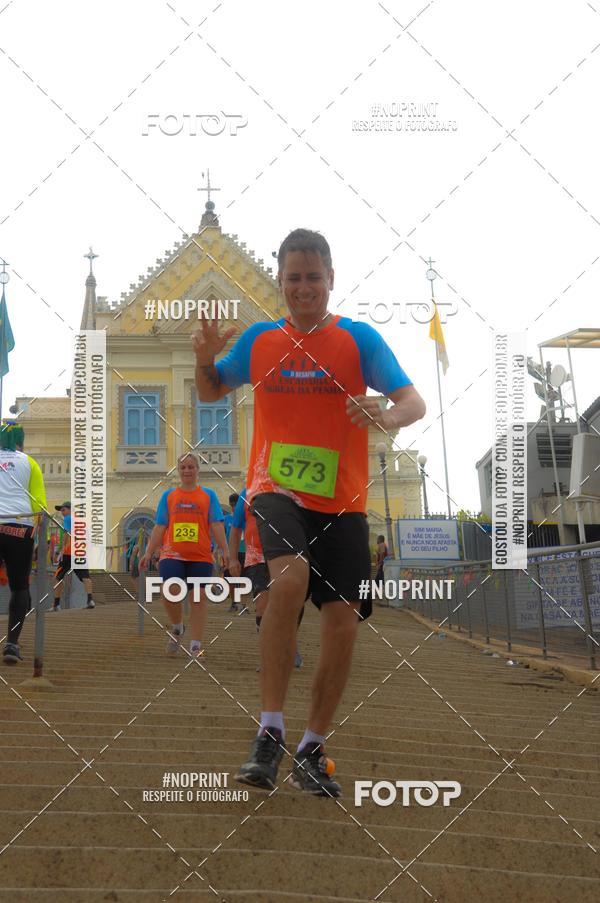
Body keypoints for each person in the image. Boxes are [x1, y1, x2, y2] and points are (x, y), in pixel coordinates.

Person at [194, 228, 425, 796]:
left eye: (313, 277)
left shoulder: (357, 340)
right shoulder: (259, 340)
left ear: (330, 279)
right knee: (288, 581)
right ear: (280, 281)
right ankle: (268, 733)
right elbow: (210, 391)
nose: (303, 288)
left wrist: (385, 417)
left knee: (342, 627)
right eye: (293, 278)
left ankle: (311, 745)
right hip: (275, 489)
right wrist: (204, 361)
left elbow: (412, 401)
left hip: (343, 503)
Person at [139, 452, 228, 657]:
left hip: (200, 556)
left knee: (198, 599)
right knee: (169, 592)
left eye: (191, 467)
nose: (187, 470)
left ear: (198, 470)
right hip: (172, 554)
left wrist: (226, 551)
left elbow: (216, 524)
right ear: (178, 471)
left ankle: (195, 645)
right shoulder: (169, 496)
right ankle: (178, 627)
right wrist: (149, 552)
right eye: (183, 467)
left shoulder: (208, 496)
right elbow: (160, 526)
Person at [229, 488, 303, 670]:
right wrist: (232, 559)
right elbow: (236, 528)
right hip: (256, 557)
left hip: (287, 553)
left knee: (292, 603)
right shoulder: (247, 494)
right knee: (263, 602)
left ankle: (289, 642)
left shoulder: (290, 487)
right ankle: (268, 656)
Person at [0, 421, 47, 665]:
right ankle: (11, 644)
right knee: (19, 587)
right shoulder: (29, 462)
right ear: (21, 441)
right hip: (19, 528)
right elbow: (39, 502)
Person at [52, 502, 96, 610]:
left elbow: (67, 535)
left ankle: (56, 605)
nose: (62, 513)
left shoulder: (68, 518)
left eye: (64, 510)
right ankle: (90, 600)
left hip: (68, 553)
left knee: (58, 577)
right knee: (85, 577)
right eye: (61, 510)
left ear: (70, 509)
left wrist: (59, 551)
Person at [223, 492, 246, 612]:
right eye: (232, 504)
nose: (234, 507)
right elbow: (222, 536)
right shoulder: (226, 519)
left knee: (244, 579)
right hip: (231, 553)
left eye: (236, 504)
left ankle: (242, 604)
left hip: (244, 551)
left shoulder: (246, 519)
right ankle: (233, 602)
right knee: (230, 579)